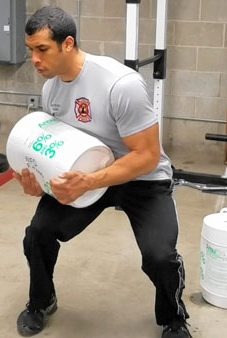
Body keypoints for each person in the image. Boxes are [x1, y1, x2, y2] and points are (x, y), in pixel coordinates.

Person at [13, 6, 190, 338]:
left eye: (42, 49)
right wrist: (39, 184)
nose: (34, 59)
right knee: (38, 232)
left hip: (141, 178)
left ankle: (174, 318)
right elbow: (59, 152)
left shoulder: (119, 84)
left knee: (160, 256)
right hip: (88, 175)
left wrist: (91, 181)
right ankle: (41, 301)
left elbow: (148, 156)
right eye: (30, 51)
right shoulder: (51, 89)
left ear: (67, 44)